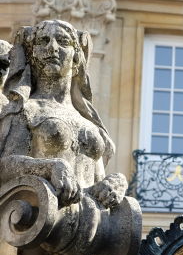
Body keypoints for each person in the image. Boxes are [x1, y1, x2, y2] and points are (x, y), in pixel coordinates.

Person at [0, 19, 126, 209]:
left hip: (89, 222)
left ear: (76, 57)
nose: (52, 47)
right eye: (43, 41)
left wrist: (117, 183)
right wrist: (50, 168)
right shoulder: (24, 109)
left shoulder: (89, 121)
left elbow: (96, 180)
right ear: (32, 55)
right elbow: (5, 167)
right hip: (41, 220)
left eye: (63, 41)